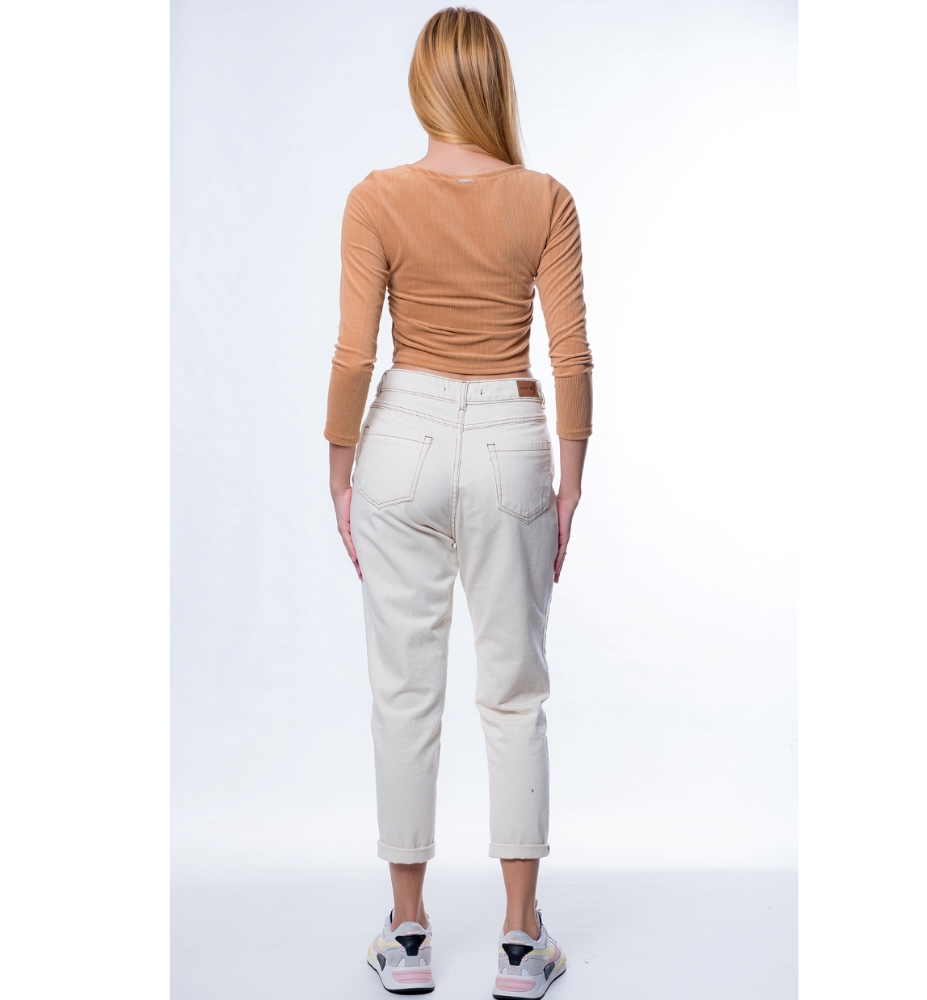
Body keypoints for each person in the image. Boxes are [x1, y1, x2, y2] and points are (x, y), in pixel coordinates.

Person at [325, 8, 592, 997]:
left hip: (403, 436)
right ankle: (521, 940)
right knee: (515, 690)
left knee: (405, 688)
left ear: (423, 86)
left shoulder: (376, 197)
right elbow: (571, 354)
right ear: (495, 86)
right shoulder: (545, 199)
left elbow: (355, 352)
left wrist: (339, 468)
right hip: (513, 441)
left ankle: (407, 932)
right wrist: (570, 484)